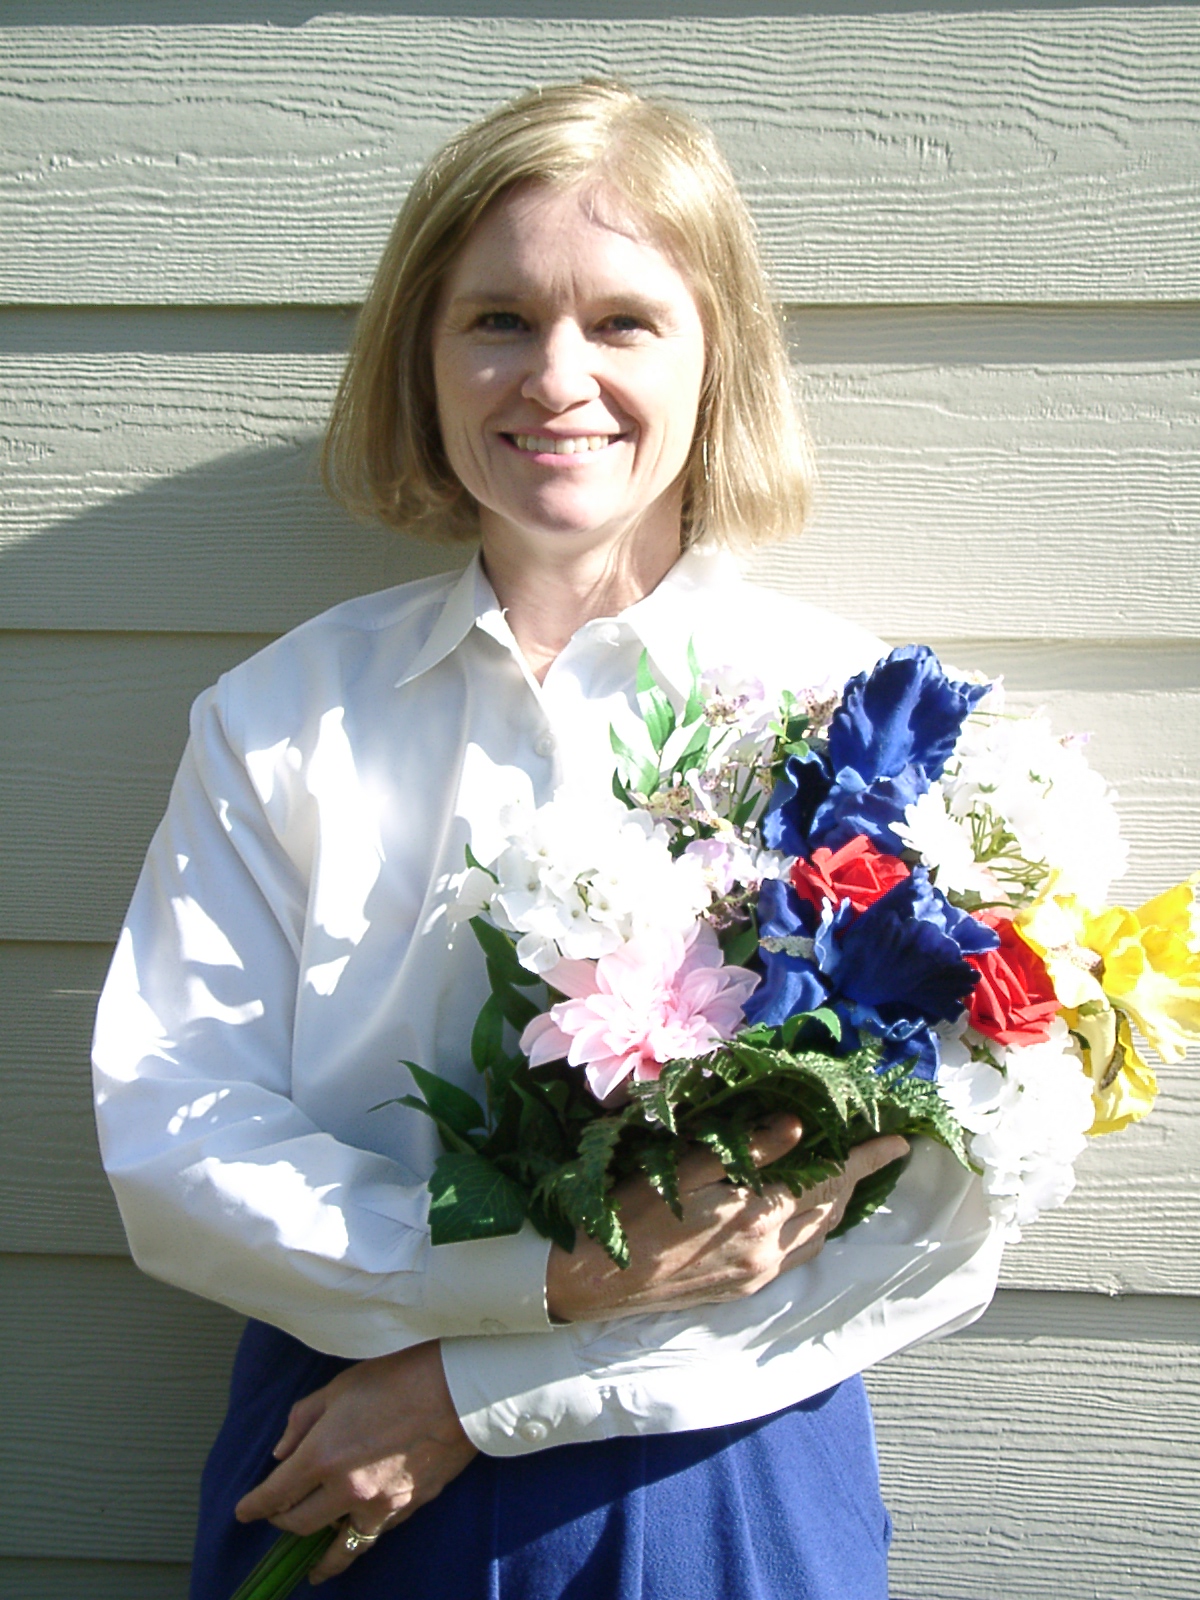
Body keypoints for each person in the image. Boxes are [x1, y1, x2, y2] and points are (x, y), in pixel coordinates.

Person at [92, 80, 1003, 1599]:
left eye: (624, 322)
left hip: (716, 1468)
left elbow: (921, 1224)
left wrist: (478, 1387)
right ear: (423, 356)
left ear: (718, 357)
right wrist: (526, 1282)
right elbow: (178, 1127)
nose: (555, 376)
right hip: (342, 1462)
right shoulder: (284, 716)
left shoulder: (859, 724)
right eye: (499, 320)